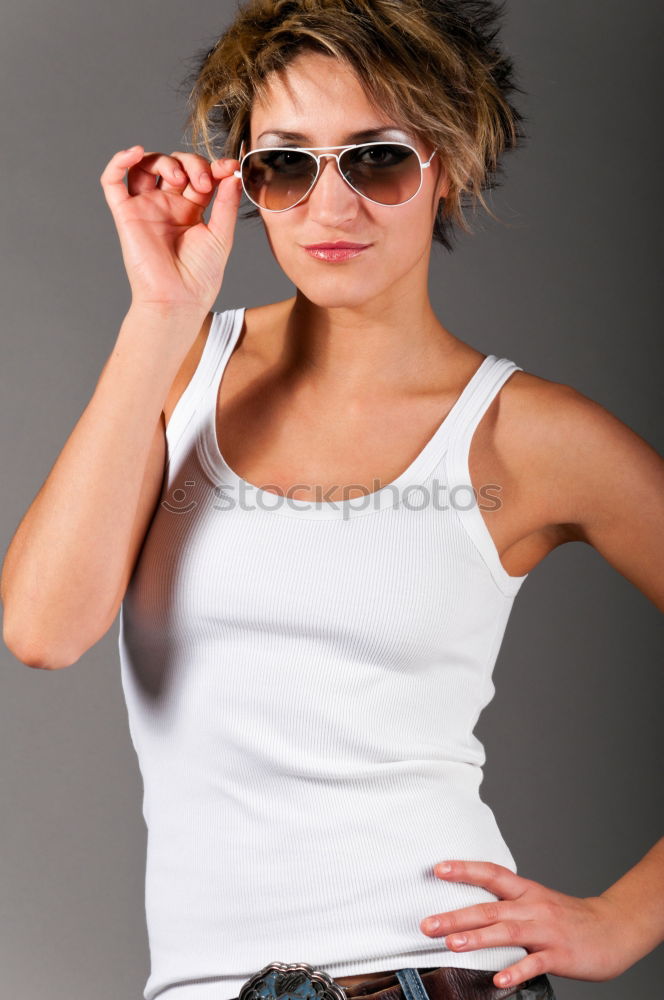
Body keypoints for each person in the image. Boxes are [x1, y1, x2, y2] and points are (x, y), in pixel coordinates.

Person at [2, 1, 663, 999]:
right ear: (246, 182)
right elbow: (44, 628)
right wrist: (160, 314)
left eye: (377, 159)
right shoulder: (179, 363)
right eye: (287, 163)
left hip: (432, 974)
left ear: (445, 163)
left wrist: (623, 921)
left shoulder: (526, 436)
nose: (330, 206)